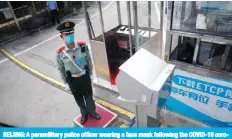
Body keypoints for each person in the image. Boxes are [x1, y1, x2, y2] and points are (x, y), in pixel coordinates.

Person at [56, 21, 101, 124]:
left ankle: (92, 112)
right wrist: (65, 83)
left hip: (84, 77)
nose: (69, 35)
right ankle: (84, 114)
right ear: (61, 36)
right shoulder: (60, 54)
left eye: (71, 33)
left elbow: (88, 60)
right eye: (66, 34)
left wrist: (91, 73)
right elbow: (61, 69)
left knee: (89, 96)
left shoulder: (82, 46)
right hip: (73, 80)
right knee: (79, 99)